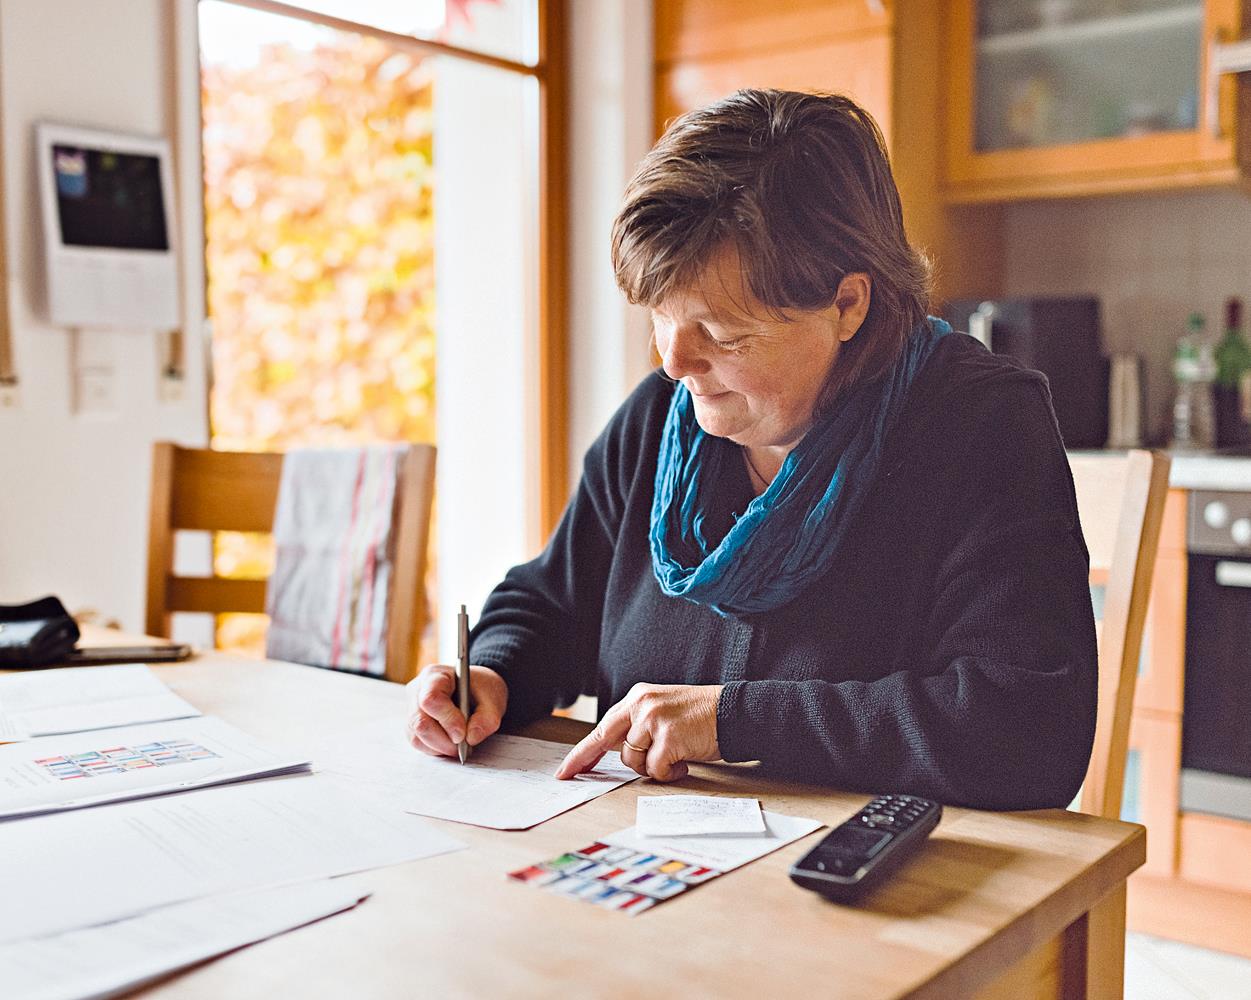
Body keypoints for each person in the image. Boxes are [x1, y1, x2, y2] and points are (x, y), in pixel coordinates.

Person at [405, 89, 1096, 810]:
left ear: (846, 306)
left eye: (721, 332)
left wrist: (731, 720)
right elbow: (551, 601)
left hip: (882, 891)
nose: (673, 364)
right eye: (660, 317)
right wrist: (489, 674)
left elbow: (1025, 728)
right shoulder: (660, 423)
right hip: (656, 866)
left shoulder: (980, 427)